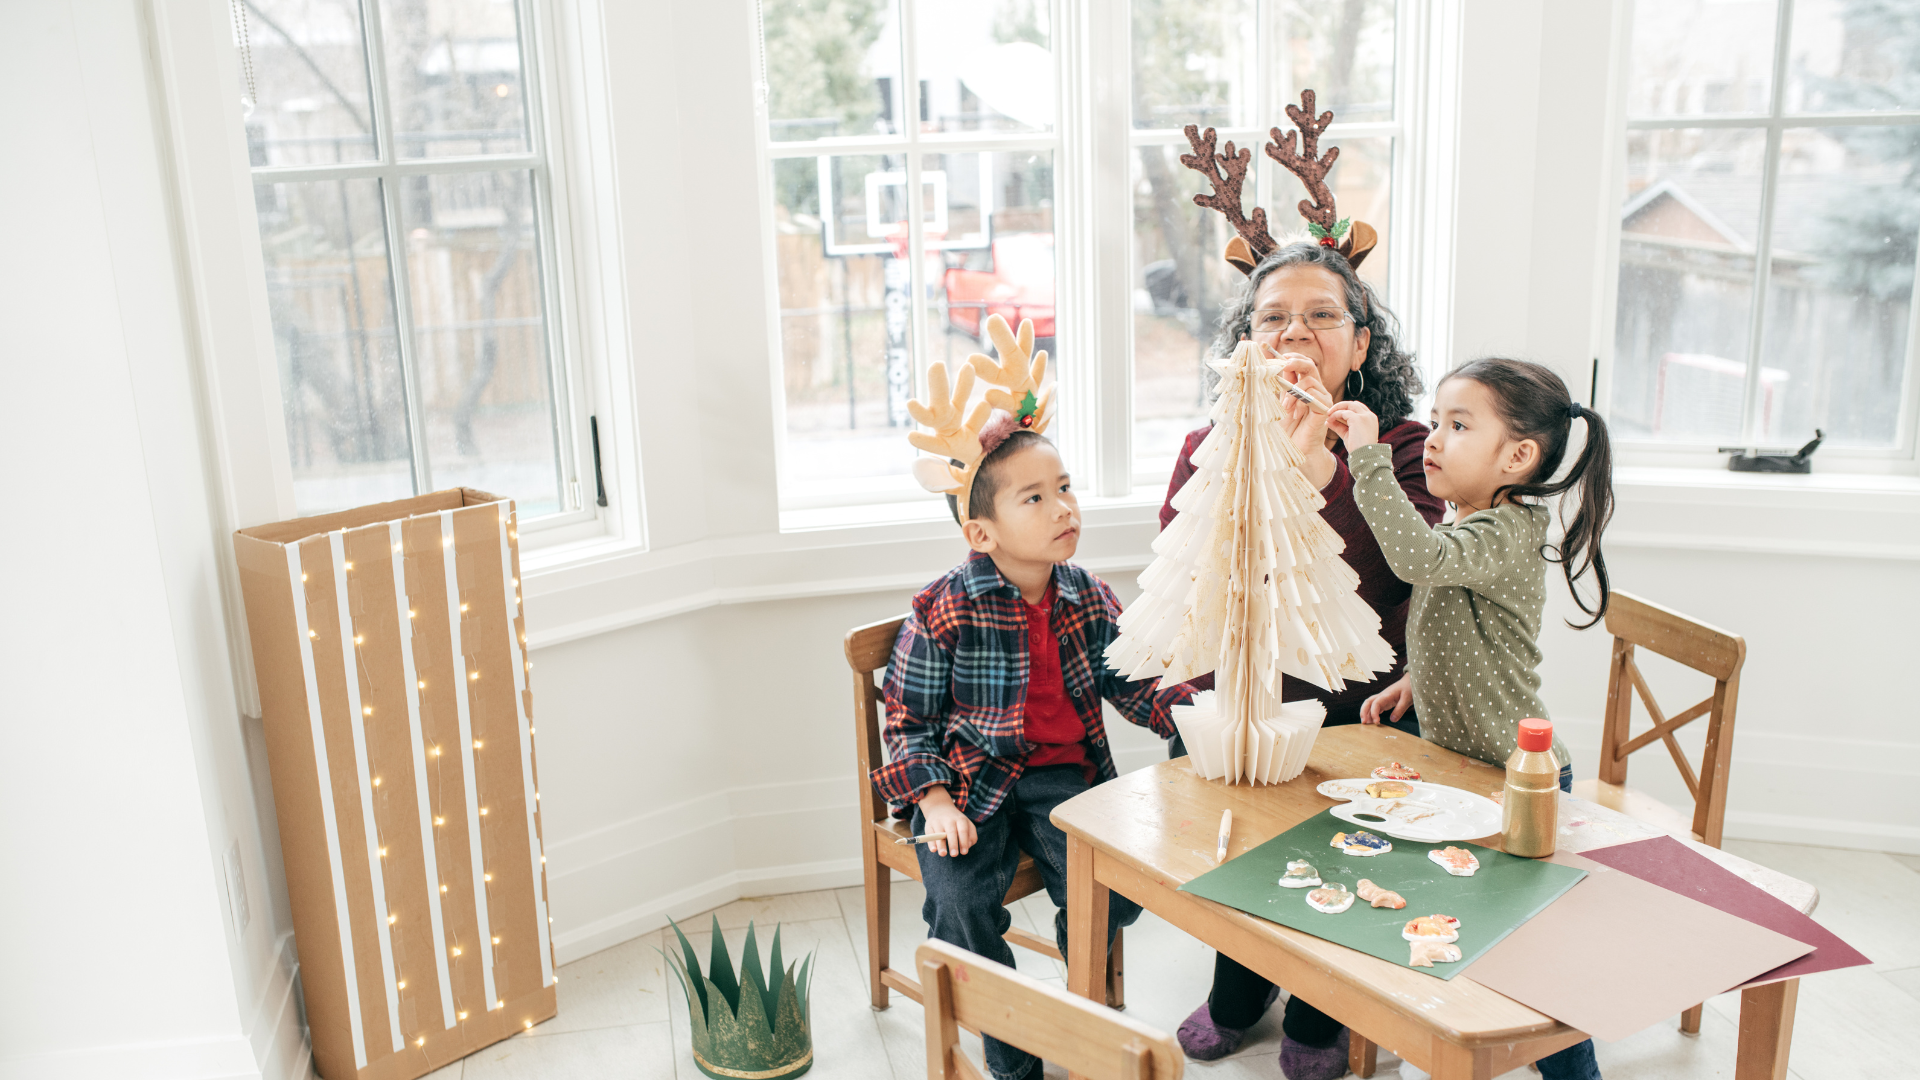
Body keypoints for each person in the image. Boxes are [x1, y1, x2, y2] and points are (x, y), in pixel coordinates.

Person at [1160, 106, 1446, 1075]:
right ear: (1246, 346)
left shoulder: (1406, 453)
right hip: (1251, 688)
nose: (1296, 334)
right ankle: (1241, 977)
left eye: (1323, 315)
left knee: (1350, 792)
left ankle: (1328, 998)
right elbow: (1192, 576)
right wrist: (1269, 451)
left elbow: (1393, 579)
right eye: (1272, 318)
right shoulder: (1208, 453)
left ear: (1360, 344)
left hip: (1370, 697)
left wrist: (1324, 451)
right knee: (1234, 772)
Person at [877, 318, 1195, 1080]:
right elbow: (908, 721)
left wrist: (1187, 718)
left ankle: (1079, 1006)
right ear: (981, 533)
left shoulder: (1086, 594)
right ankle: (1014, 1059)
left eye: (1065, 489)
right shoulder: (945, 606)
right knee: (958, 908)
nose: (1062, 509)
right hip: (968, 782)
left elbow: (1127, 677)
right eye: (1035, 498)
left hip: (1065, 777)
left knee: (1117, 893)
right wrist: (935, 803)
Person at [1317, 356, 1616, 1080]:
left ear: (1518, 456)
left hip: (1519, 777)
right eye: (1436, 420)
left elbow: (1419, 560)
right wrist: (1418, 680)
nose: (1433, 441)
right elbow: (1470, 621)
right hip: (1459, 764)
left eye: (1457, 426)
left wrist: (1369, 460)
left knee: (1528, 954)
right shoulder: (1473, 520)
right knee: (1453, 918)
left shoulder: (1508, 528)